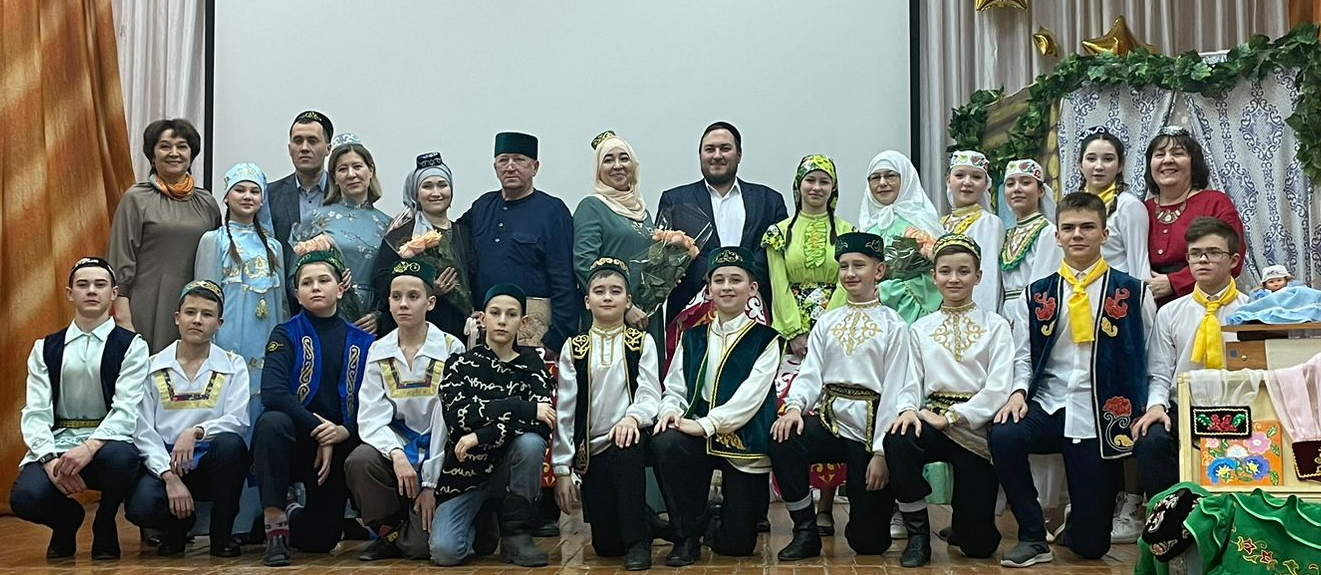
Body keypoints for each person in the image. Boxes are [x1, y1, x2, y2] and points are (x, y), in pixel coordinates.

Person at [989, 192, 1156, 567]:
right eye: (1068, 228)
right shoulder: (1036, 294)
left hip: (1102, 412)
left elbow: (1150, 357)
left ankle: (1078, 523)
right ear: (1057, 236)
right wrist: (1018, 393)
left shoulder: (1133, 291)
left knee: (1091, 547)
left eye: (1087, 227)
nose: (1077, 235)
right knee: (1004, 434)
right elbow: (1023, 355)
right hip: (1049, 404)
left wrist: (1149, 403)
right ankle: (1033, 535)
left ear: (1104, 234)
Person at [769, 232, 909, 561]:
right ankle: (805, 530)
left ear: (879, 271)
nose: (849, 273)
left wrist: (881, 453)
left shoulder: (894, 325)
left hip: (871, 431)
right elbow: (811, 374)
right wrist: (794, 407)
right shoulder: (828, 322)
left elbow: (896, 389)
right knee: (783, 438)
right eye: (844, 266)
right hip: (831, 421)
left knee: (869, 543)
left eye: (859, 265)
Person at [885, 234, 1012, 567]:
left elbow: (999, 387)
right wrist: (908, 410)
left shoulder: (996, 326)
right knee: (898, 439)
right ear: (933, 276)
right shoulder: (920, 328)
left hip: (976, 429)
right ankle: (918, 536)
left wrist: (953, 417)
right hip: (932, 419)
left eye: (963, 271)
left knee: (979, 547)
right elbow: (910, 381)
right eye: (945, 271)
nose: (954, 279)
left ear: (978, 276)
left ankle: (965, 524)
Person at [10, 257, 149, 560]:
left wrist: (88, 448)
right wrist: (49, 460)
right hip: (59, 444)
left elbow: (126, 410)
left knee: (122, 458)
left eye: (100, 284)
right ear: (70, 294)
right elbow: (35, 412)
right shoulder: (45, 348)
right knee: (25, 497)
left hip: (105, 446)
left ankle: (105, 519)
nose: (91, 291)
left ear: (113, 293)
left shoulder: (132, 346)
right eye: (82, 285)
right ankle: (66, 521)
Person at [650, 246, 781, 566]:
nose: (726, 287)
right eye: (719, 280)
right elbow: (676, 387)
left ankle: (712, 519)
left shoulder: (767, 339)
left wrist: (706, 424)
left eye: (736, 280)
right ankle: (685, 536)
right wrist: (670, 411)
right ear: (708, 289)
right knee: (666, 441)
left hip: (743, 437)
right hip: (695, 429)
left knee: (737, 545)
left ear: (752, 288)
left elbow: (750, 399)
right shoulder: (692, 336)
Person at [253, 251, 374, 566]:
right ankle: (274, 523)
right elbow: (273, 392)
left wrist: (342, 432)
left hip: (341, 443)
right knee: (271, 423)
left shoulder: (364, 342)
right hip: (295, 440)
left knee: (320, 541)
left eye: (324, 280)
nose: (316, 287)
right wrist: (319, 430)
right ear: (297, 294)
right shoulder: (286, 333)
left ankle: (293, 511)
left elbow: (374, 403)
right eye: (307, 283)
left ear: (340, 288)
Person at [425, 283, 554, 568]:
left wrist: (481, 435)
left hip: (508, 472)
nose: (502, 320)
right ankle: (483, 522)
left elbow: (543, 424)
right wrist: (523, 408)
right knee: (446, 553)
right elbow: (459, 418)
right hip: (465, 474)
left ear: (523, 322)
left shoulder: (533, 366)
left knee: (531, 443)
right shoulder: (460, 364)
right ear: (483, 319)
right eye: (495, 313)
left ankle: (516, 535)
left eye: (511, 314)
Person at [347, 258, 466, 561]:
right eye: (396, 297)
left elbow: (447, 419)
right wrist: (396, 454)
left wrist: (430, 484)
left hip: (442, 451)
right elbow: (371, 416)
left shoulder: (451, 348)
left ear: (430, 302)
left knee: (419, 549)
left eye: (413, 296)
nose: (403, 304)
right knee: (360, 461)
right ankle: (388, 531)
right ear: (388, 302)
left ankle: (428, 526)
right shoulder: (379, 350)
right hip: (399, 445)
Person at [194, 162, 287, 540]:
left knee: (260, 425)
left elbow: (280, 305)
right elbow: (203, 299)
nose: (247, 197)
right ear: (227, 196)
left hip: (264, 350)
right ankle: (223, 522)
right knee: (229, 424)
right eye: (240, 190)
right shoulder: (213, 241)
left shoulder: (274, 246)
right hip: (227, 346)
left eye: (254, 191)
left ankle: (257, 519)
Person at [1132, 217, 1248, 516]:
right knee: (1150, 439)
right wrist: (1156, 406)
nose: (1203, 260)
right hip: (1182, 409)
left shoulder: (1251, 311)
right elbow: (1159, 372)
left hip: (1238, 409)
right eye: (1195, 253)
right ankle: (1171, 519)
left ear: (1234, 260)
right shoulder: (1171, 312)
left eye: (1213, 252)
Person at [125, 280, 251, 557]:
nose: (197, 320)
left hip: (210, 461)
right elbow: (142, 430)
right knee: (141, 506)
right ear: (177, 318)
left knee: (232, 446)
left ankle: (221, 535)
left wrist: (195, 432)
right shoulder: (151, 367)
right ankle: (177, 528)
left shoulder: (233, 365)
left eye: (207, 314)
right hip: (164, 463)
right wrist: (169, 476)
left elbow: (238, 420)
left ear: (219, 323)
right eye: (190, 312)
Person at [552, 258, 663, 571]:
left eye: (616, 291)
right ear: (587, 301)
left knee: (627, 446)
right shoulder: (575, 347)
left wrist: (633, 418)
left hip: (629, 437)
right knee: (606, 547)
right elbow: (565, 411)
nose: (608, 297)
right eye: (599, 291)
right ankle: (653, 525)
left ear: (628, 300)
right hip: (592, 450)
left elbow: (650, 393)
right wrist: (562, 468)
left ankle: (638, 542)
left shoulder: (641, 342)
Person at [108, 118, 222, 352]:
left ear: (191, 155)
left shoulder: (207, 203)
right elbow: (120, 258)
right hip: (147, 305)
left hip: (196, 308)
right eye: (165, 146)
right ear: (152, 155)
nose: (174, 153)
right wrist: (122, 316)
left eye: (182, 146)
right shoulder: (136, 198)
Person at [658, 122, 788, 325]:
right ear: (700, 155)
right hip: (692, 314)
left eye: (725, 148)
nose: (717, 155)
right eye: (710, 149)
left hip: (755, 311)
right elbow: (664, 256)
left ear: (739, 154)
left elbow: (775, 255)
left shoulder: (769, 201)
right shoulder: (675, 200)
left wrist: (741, 276)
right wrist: (712, 273)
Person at [457, 132, 577, 353]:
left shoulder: (552, 211)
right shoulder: (482, 206)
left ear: (535, 167)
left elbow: (564, 279)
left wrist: (556, 338)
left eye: (519, 160)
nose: (510, 167)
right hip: (486, 331)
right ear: (495, 167)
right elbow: (452, 239)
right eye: (503, 160)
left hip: (533, 336)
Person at [372, 152, 475, 340]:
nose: (436, 193)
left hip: (457, 331)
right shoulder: (400, 235)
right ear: (416, 194)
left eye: (442, 185)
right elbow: (381, 282)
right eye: (427, 186)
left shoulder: (464, 233)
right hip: (410, 333)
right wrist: (426, 288)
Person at [295, 135, 392, 334]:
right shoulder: (317, 218)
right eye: (342, 169)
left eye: (357, 166)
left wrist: (380, 316)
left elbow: (393, 280)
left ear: (370, 170)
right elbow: (294, 276)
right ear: (334, 177)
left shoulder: (388, 225)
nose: (351, 174)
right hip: (326, 315)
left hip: (371, 322)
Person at [572, 131, 661, 346]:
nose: (618, 166)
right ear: (598, 169)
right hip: (609, 315)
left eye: (624, 158)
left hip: (646, 315)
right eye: (608, 160)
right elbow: (584, 263)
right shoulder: (592, 207)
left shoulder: (642, 212)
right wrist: (625, 307)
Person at [763, 154, 854, 356]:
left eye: (824, 182)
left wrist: (827, 329)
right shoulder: (778, 233)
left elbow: (847, 284)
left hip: (837, 328)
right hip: (790, 331)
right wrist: (794, 333)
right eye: (810, 180)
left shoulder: (848, 232)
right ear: (798, 183)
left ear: (833, 187)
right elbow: (778, 285)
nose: (816, 187)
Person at [1143, 126, 1245, 305]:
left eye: (1178, 153)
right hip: (1146, 305)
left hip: (1205, 303)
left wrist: (1174, 283)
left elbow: (1232, 257)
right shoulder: (1141, 209)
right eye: (1159, 154)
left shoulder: (1215, 203)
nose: (1167, 160)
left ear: (1194, 162)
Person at [858, 150, 945, 324]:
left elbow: (937, 272)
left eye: (890, 176)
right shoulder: (866, 226)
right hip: (871, 311)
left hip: (911, 314)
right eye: (875, 178)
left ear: (905, 178)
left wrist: (890, 291)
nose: (882, 183)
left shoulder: (923, 221)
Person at [259, 110, 335, 267]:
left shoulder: (342, 194)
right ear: (289, 148)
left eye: (312, 141)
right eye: (298, 141)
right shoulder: (269, 195)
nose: (304, 148)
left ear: (328, 148)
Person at [1076, 127, 1150, 278]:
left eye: (1108, 159)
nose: (1099, 166)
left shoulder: (1128, 206)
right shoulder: (1071, 206)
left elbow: (1139, 263)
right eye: (1091, 159)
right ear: (1080, 165)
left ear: (1120, 166)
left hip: (1115, 288)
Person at [1000, 159, 1064, 325]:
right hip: (1005, 315)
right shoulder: (1007, 234)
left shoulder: (1048, 232)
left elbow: (1043, 285)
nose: (1017, 189)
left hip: (1032, 312)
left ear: (1040, 191)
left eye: (1025, 182)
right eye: (1010, 184)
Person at [941, 150, 1003, 313]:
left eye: (976, 177)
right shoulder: (940, 223)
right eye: (960, 175)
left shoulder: (988, 222)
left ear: (986, 184)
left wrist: (981, 317)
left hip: (972, 312)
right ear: (948, 181)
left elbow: (988, 278)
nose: (967, 182)